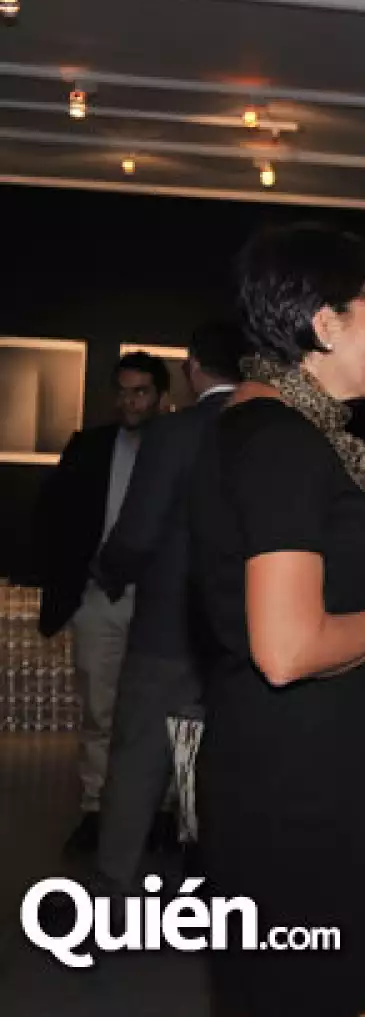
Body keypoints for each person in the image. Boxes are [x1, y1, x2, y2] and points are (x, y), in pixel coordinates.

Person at [189, 223, 365, 1017]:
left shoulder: (270, 429)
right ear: (324, 325)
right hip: (297, 786)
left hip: (296, 767)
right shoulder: (283, 443)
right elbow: (284, 648)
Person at [94, 320, 248, 892]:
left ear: (193, 368)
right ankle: (210, 894)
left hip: (165, 630)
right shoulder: (271, 431)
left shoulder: (173, 433)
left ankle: (111, 898)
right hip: (243, 637)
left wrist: (108, 573)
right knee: (217, 773)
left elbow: (136, 533)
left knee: (136, 766)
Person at [34, 350, 169, 852]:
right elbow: (55, 514)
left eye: (140, 391)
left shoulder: (177, 446)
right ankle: (94, 810)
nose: (129, 401)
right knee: (98, 708)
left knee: (156, 708)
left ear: (161, 396)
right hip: (98, 598)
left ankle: (157, 812)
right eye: (123, 390)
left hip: (161, 601)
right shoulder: (88, 446)